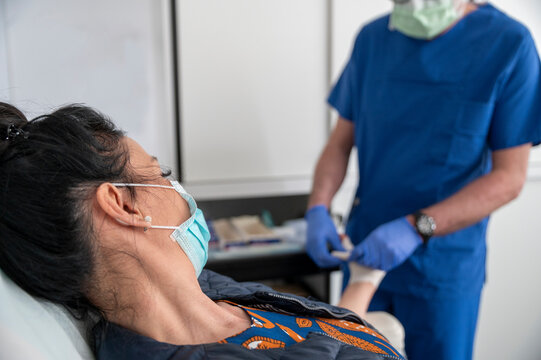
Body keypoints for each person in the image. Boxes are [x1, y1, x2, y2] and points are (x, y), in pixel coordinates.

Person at [0, 102, 405, 360]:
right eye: (162, 174)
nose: (179, 192)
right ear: (123, 205)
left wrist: (365, 283)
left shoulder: (209, 291)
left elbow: (335, 344)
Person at [305, 1, 541, 359]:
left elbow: (509, 177)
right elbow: (339, 144)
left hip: (442, 269)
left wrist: (417, 227)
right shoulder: (373, 39)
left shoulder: (508, 44)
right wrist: (318, 207)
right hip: (365, 251)